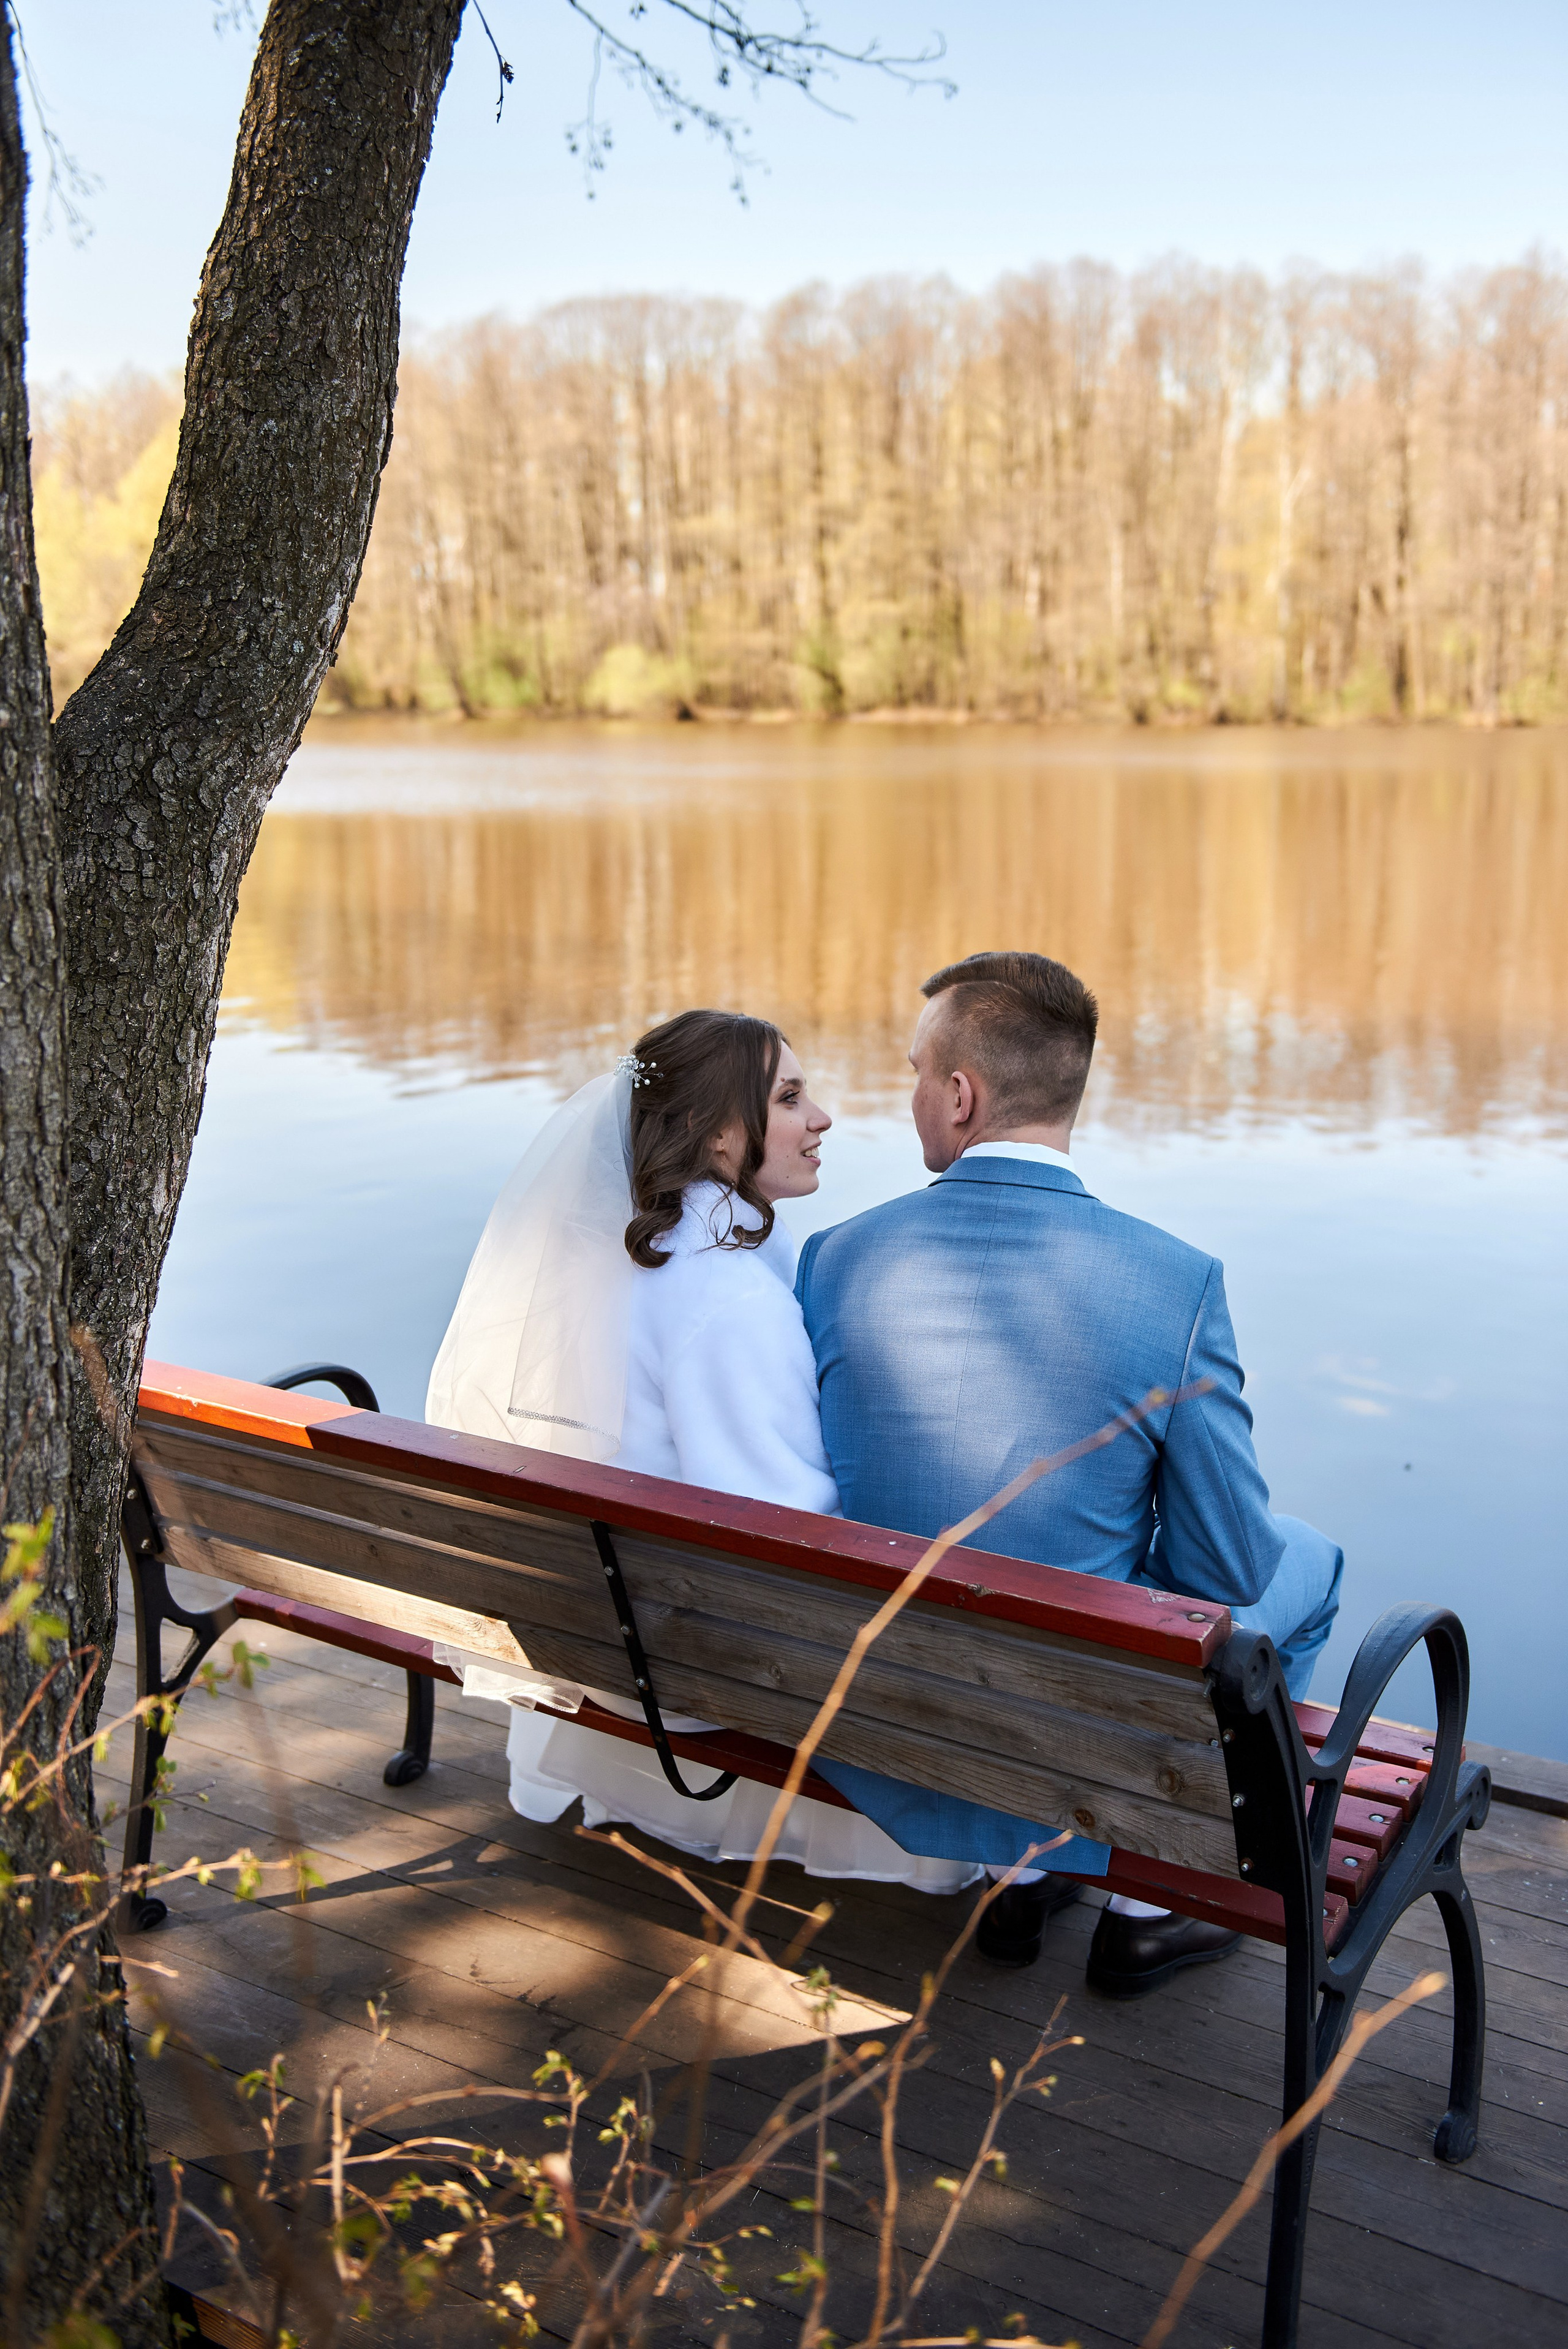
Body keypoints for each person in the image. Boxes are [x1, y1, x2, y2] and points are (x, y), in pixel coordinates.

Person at [794, 950, 1343, 1996]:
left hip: (878, 1718)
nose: (911, 1095)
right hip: (1065, 1723)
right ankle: (1151, 1900)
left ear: (961, 1095)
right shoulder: (1176, 1283)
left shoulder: (837, 1256)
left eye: (917, 1072)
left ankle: (1021, 1875)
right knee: (1303, 1562)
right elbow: (1223, 1566)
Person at [425, 1008, 980, 1896]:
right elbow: (790, 1524)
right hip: (686, 1671)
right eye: (791, 1098)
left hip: (588, 1635)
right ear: (716, 1133)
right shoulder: (723, 1295)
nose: (822, 1119)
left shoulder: (603, 1252)